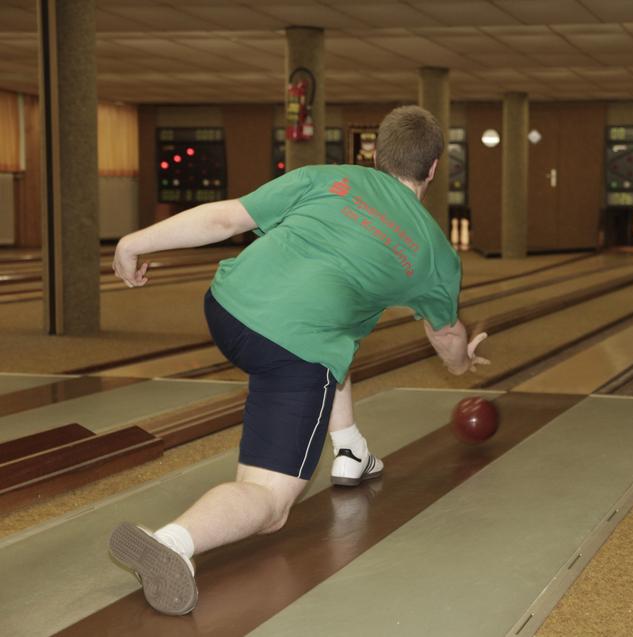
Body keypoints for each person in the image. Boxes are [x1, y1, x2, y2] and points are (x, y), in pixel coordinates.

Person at [108, 105, 489, 615]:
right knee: (269, 502)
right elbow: (445, 337)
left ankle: (350, 448)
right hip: (291, 350)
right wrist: (464, 363)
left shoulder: (326, 178)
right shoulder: (435, 254)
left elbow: (226, 217)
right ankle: (174, 542)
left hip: (225, 306)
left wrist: (133, 242)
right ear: (435, 168)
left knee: (343, 326)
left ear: (374, 154)